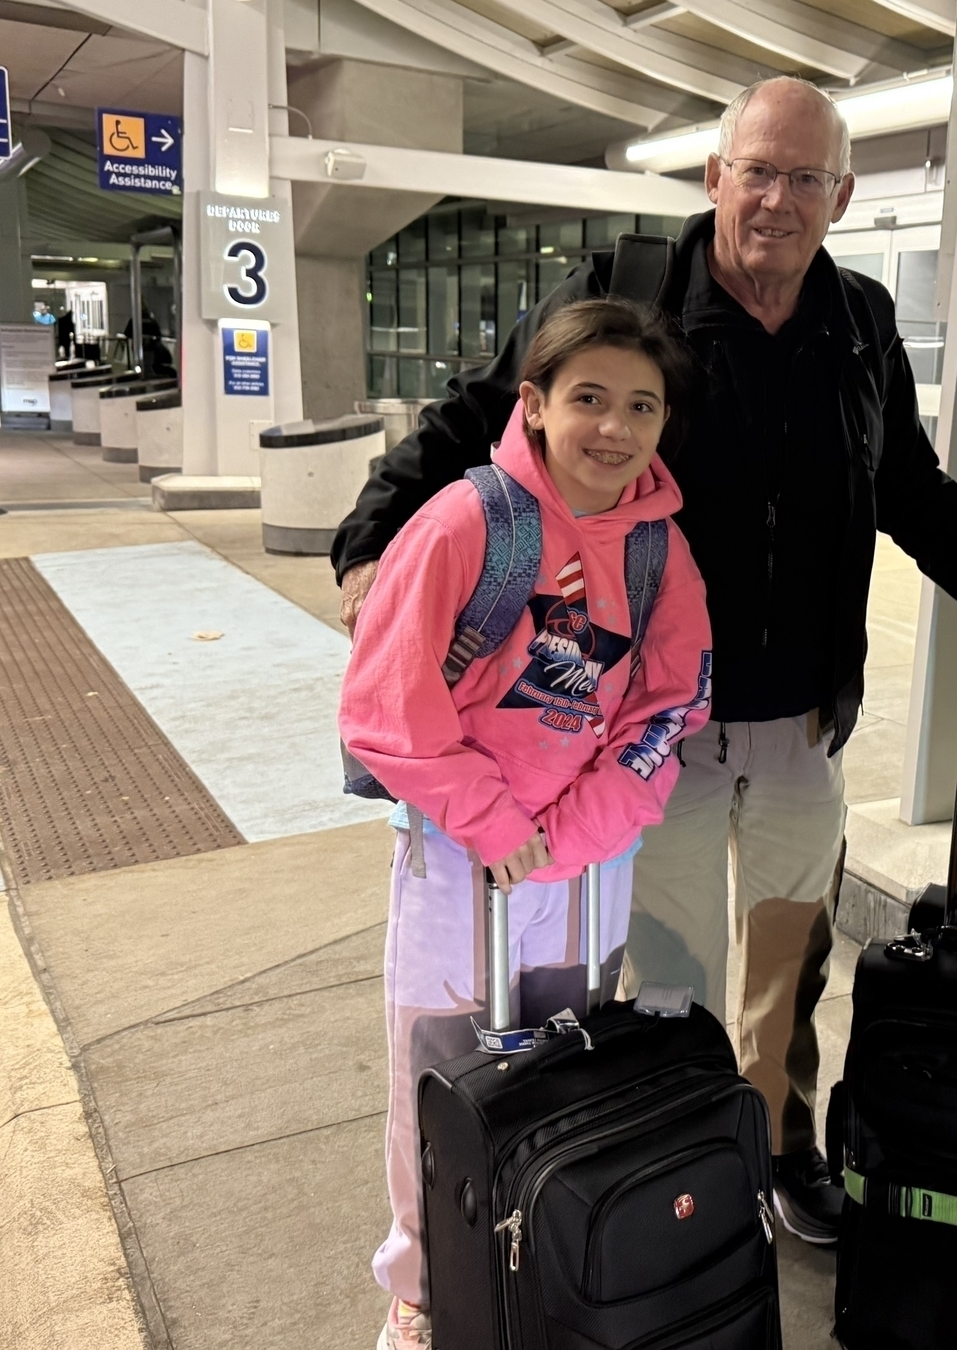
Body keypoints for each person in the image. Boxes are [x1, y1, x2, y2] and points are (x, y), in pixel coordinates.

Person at [331, 76, 957, 1245]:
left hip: (800, 715)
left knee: (789, 954)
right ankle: (678, 1158)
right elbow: (476, 418)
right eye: (756, 170)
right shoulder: (625, 293)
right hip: (639, 725)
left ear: (843, 196)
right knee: (667, 968)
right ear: (714, 177)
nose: (777, 198)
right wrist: (369, 540)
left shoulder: (858, 326)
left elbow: (909, 485)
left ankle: (775, 1144)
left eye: (805, 177)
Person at [339, 299, 713, 1350]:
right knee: (441, 1065)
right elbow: (384, 706)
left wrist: (594, 821)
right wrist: (496, 825)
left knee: (564, 1058)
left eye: (641, 405)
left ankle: (545, 1235)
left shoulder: (658, 550)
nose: (615, 427)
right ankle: (425, 1278)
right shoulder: (468, 523)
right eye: (588, 398)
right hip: (461, 860)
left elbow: (673, 699)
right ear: (535, 404)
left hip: (587, 863)